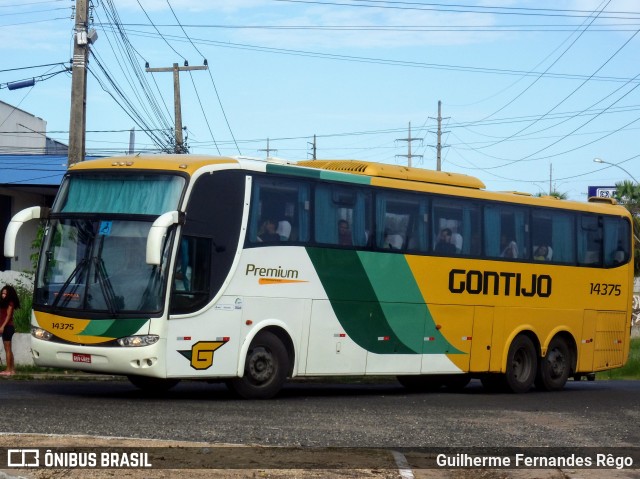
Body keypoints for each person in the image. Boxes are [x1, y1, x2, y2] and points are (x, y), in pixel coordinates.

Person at [0, 285, 20, 376]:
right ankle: (12, 369)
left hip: (7, 327)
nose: (3, 295)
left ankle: (8, 369)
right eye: (2, 293)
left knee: (7, 349)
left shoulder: (10, 303)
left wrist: (2, 326)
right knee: (8, 349)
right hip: (6, 327)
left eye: (5, 293)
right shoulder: (4, 303)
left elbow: (8, 316)